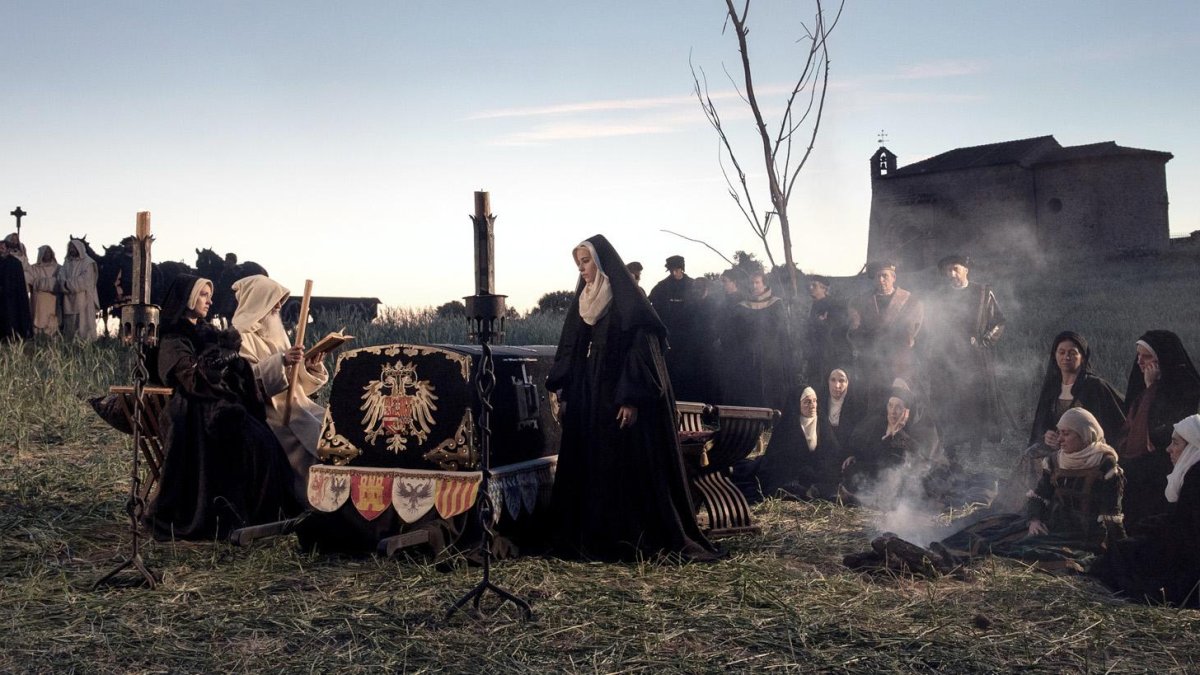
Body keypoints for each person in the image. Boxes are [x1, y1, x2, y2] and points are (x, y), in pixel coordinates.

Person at [547, 235, 719, 562]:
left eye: (586, 261)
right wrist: (564, 386)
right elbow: (570, 345)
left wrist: (631, 397)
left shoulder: (628, 300)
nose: (582, 268)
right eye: (579, 263)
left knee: (622, 465)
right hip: (590, 394)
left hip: (618, 394)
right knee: (593, 463)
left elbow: (644, 349)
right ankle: (594, 535)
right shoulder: (583, 300)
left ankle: (627, 537)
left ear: (601, 263)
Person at [856, 408, 1125, 575]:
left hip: (1078, 534)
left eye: (1068, 434)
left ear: (1085, 435)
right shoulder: (1055, 460)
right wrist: (1033, 519)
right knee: (989, 528)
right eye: (1060, 432)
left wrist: (1115, 548)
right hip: (1047, 524)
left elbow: (1112, 515)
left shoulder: (1105, 465)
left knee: (1012, 548)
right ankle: (923, 552)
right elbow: (1039, 496)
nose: (1061, 439)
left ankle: (935, 562)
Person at [145, 274, 299, 541]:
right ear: (188, 299)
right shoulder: (173, 338)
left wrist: (233, 361)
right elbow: (191, 379)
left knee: (264, 442)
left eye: (210, 295)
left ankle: (266, 517)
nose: (209, 301)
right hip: (194, 409)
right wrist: (221, 359)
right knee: (247, 443)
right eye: (203, 295)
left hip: (220, 403)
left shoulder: (209, 333)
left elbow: (232, 369)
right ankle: (233, 516)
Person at [999, 331, 1126, 511]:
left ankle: (1056, 508)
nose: (1066, 357)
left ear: (1082, 357)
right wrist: (1047, 435)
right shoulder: (1052, 387)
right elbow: (1043, 424)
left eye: (1072, 353)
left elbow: (1110, 423)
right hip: (1057, 447)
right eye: (1062, 352)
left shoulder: (1094, 386)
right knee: (1031, 455)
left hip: (1085, 451)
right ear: (1055, 355)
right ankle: (1027, 507)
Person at [231, 275, 328, 501]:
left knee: (330, 425)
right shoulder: (239, 336)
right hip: (270, 411)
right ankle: (310, 499)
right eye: (273, 301)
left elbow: (293, 380)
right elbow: (245, 378)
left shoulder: (275, 332)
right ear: (259, 301)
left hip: (296, 404)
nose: (278, 307)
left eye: (280, 302)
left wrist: (309, 366)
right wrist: (281, 360)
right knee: (310, 440)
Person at [1092, 414, 1200, 607]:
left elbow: (1189, 533)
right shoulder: (1192, 473)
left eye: (1175, 443)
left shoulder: (1196, 478)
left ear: (1193, 447)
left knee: (1122, 558)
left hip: (1188, 562)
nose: (1168, 449)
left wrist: (1155, 529)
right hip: (1181, 548)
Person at [1117, 330, 1200, 532]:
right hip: (1135, 470)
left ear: (1162, 359)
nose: (1139, 362)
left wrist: (1152, 389)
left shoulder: (1185, 386)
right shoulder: (1142, 383)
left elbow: (1160, 432)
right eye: (1138, 355)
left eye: (1146, 356)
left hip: (1162, 469)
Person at [927, 255, 1008, 456]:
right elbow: (933, 323)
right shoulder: (941, 295)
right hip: (947, 356)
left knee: (974, 398)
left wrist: (985, 341)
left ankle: (975, 444)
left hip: (974, 355)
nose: (952, 274)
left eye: (956, 269)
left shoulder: (982, 293)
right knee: (948, 397)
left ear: (966, 270)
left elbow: (999, 321)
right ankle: (951, 444)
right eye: (948, 270)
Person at [734, 386, 844, 502]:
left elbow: (833, 451)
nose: (813, 405)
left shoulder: (821, 422)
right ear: (797, 405)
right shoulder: (787, 425)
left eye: (815, 401)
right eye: (807, 402)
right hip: (790, 471)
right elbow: (778, 460)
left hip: (813, 471)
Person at [841, 383, 939, 504]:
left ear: (906, 411)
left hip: (901, 475)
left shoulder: (912, 429)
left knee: (917, 481)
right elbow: (872, 454)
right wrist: (855, 457)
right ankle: (870, 499)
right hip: (878, 472)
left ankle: (876, 501)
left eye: (898, 407)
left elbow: (919, 457)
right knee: (852, 470)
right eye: (890, 405)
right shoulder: (878, 425)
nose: (893, 411)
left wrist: (899, 433)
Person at [848, 261, 923, 408]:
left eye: (884, 276)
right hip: (871, 362)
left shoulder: (911, 302)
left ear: (894, 277)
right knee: (874, 402)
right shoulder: (859, 302)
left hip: (899, 362)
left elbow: (911, 334)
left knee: (897, 401)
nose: (881, 280)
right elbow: (854, 331)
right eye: (877, 277)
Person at [648, 255, 704, 401]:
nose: (674, 273)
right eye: (672, 270)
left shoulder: (693, 285)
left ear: (682, 269)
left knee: (689, 373)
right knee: (670, 373)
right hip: (669, 338)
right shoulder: (662, 287)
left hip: (690, 339)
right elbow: (649, 304)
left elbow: (701, 309)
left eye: (677, 269)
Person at [805, 275, 853, 384]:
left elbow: (837, 328)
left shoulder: (834, 305)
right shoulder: (813, 305)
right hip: (815, 354)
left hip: (830, 354)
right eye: (810, 285)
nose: (810, 288)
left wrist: (821, 323)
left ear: (824, 289)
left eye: (814, 285)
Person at [55, 239, 100, 340]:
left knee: (83, 324)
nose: (72, 249)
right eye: (70, 247)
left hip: (83, 299)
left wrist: (68, 284)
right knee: (70, 324)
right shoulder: (67, 263)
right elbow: (61, 277)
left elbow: (85, 281)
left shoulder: (88, 263)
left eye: (74, 247)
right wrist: (64, 284)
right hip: (68, 300)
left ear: (79, 248)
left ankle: (86, 344)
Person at [824, 367, 867, 449]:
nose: (837, 385)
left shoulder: (858, 405)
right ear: (828, 381)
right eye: (833, 380)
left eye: (841, 380)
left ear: (847, 383)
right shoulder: (819, 402)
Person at [0, 235, 33, 341]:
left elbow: (20, 284)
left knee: (12, 319)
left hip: (12, 299)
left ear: (8, 249)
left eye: (3, 247)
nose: (1, 250)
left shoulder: (16, 263)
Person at [29, 246, 60, 336]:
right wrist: (45, 283)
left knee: (52, 320)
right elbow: (31, 281)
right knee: (38, 319)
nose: (47, 254)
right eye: (45, 252)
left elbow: (59, 281)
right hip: (38, 299)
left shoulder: (58, 268)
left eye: (49, 252)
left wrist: (44, 283)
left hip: (52, 298)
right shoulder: (34, 268)